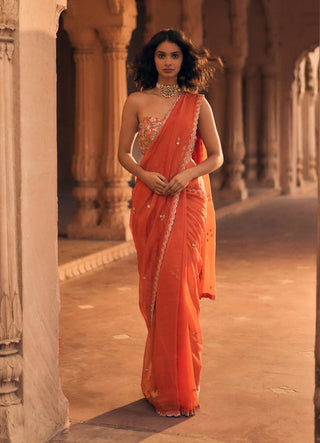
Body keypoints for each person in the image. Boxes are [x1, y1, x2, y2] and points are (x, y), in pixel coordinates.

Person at [118, 28, 223, 417]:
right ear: (152, 60)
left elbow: (216, 157)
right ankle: (163, 383)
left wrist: (187, 175)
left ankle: (182, 386)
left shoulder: (197, 104)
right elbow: (123, 154)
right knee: (160, 293)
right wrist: (145, 177)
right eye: (161, 55)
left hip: (187, 201)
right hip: (150, 201)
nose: (167, 62)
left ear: (185, 61)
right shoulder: (136, 101)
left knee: (180, 289)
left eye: (174, 56)